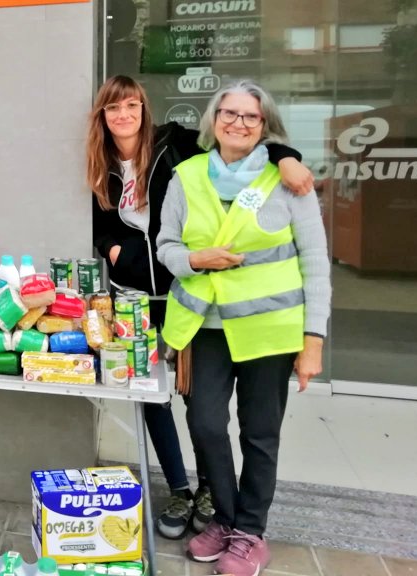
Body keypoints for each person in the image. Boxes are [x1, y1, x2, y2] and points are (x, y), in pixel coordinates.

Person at [87, 75, 314, 540]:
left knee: (199, 401)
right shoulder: (102, 162)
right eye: (113, 108)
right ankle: (178, 488)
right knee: (150, 396)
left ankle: (212, 490)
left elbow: (243, 141)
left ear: (144, 109)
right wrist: (117, 252)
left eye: (131, 105)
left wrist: (288, 158)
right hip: (134, 296)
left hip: (189, 292)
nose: (123, 115)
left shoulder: (177, 143)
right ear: (103, 117)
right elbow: (101, 222)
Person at [156, 79, 330, 576]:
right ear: (213, 120)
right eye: (229, 114)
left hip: (271, 328)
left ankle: (250, 531)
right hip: (205, 325)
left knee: (259, 433)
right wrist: (193, 258)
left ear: (264, 125)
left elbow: (315, 261)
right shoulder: (186, 175)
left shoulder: (288, 180)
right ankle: (229, 521)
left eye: (250, 116)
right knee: (206, 423)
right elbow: (165, 244)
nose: (238, 123)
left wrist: (312, 341)